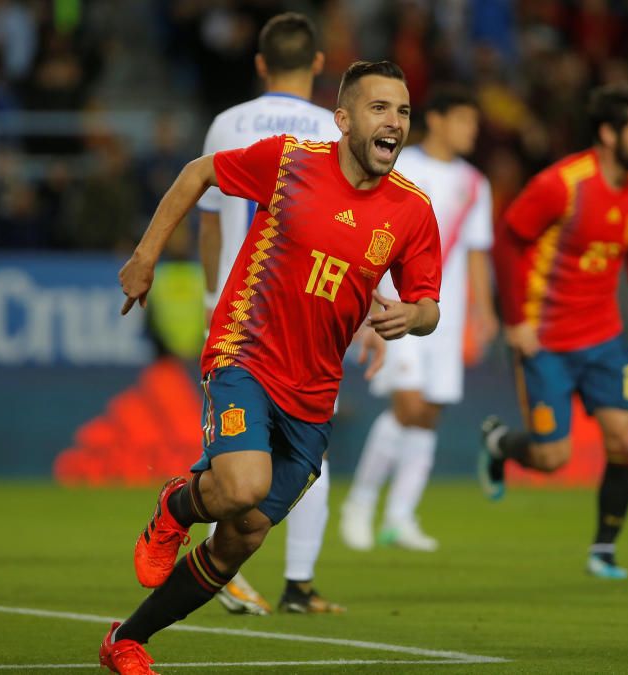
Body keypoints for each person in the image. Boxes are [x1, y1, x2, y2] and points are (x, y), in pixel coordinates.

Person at [101, 60, 441, 674]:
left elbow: (429, 306)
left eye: (404, 111)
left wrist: (409, 318)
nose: (394, 122)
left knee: (243, 535)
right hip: (245, 354)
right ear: (343, 120)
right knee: (241, 485)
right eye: (379, 108)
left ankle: (126, 640)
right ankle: (176, 508)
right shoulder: (289, 163)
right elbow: (198, 173)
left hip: (315, 392)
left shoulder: (412, 211)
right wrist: (146, 256)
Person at [478, 82, 628, 580]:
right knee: (552, 458)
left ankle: (604, 549)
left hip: (603, 338)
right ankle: (501, 445)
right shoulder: (563, 184)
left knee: (625, 440)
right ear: (608, 134)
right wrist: (516, 322)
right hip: (546, 341)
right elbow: (508, 243)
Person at [196, 11, 344, 616]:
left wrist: (211, 302)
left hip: (237, 315)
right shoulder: (334, 131)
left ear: (260, 64)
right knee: (307, 452)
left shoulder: (227, 124)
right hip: (307, 313)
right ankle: (296, 584)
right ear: (316, 63)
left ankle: (231, 567)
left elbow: (207, 219)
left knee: (233, 448)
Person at [341, 85, 497, 552]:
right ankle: (360, 504)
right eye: (465, 121)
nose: (472, 131)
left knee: (428, 414)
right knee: (407, 406)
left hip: (444, 315)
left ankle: (400, 517)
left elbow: (474, 252)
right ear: (440, 121)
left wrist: (484, 311)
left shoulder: (475, 184)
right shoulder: (401, 167)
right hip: (395, 302)